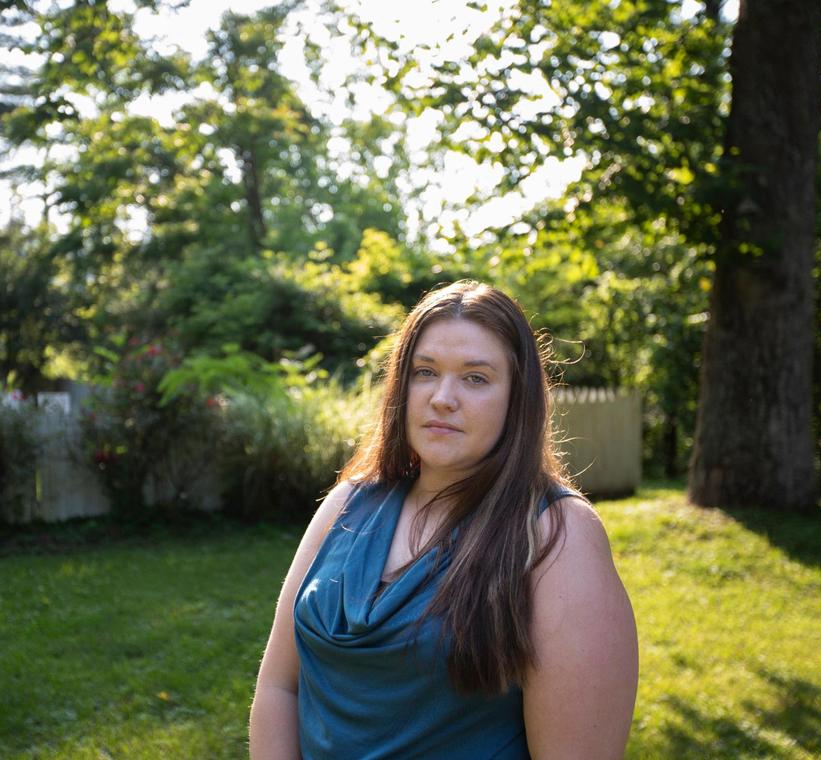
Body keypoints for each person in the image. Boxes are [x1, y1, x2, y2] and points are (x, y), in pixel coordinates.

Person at [248, 280, 638, 759]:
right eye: (425, 372)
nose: (442, 397)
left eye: (475, 378)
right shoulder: (347, 503)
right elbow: (279, 687)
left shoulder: (557, 534)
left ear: (517, 399)